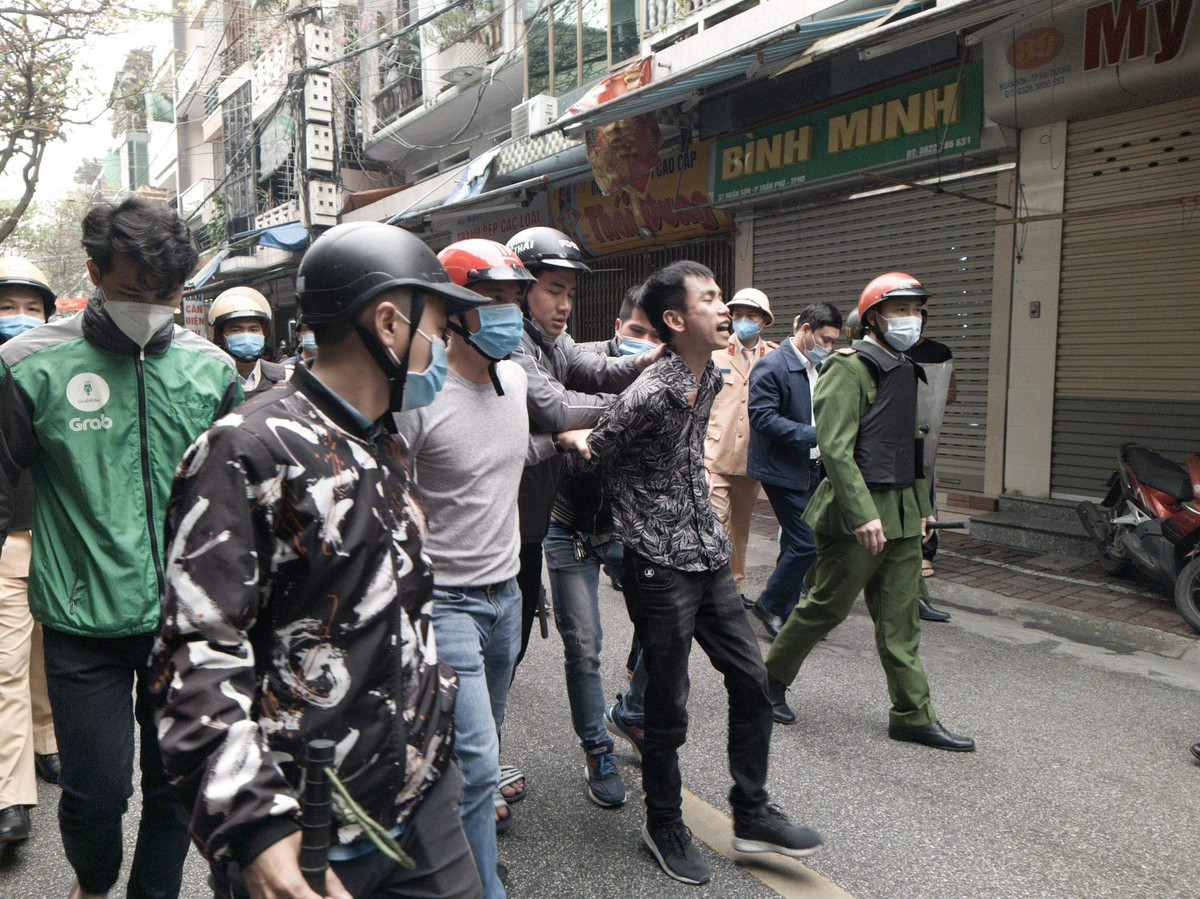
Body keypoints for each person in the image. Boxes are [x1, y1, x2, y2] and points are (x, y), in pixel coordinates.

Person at [149, 222, 487, 899]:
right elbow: (196, 652)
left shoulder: (381, 439)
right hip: (304, 829)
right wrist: (254, 828)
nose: (445, 347)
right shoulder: (247, 449)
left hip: (418, 796)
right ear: (390, 323)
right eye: (440, 326)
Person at [0, 196, 241, 899]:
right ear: (94, 271)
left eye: (168, 294)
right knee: (95, 793)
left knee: (175, 786)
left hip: (186, 624)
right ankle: (94, 880)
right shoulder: (27, 366)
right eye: (135, 291)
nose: (152, 307)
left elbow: (235, 503)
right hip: (80, 624)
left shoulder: (213, 371)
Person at [578, 261, 824, 886]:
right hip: (659, 564)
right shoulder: (652, 391)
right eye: (711, 300)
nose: (725, 309)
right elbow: (598, 454)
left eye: (723, 298)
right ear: (674, 319)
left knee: (752, 680)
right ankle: (663, 823)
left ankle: (752, 809)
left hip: (708, 554)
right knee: (667, 703)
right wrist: (631, 525)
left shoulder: (711, 374)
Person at [762, 273, 975, 753]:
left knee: (902, 620)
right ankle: (767, 684)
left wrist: (921, 509)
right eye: (900, 310)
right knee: (826, 606)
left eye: (917, 310)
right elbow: (835, 450)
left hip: (900, 513)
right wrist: (862, 514)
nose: (911, 320)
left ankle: (912, 714)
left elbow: (914, 444)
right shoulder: (849, 368)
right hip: (854, 511)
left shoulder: (906, 367)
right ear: (874, 316)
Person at [396, 238, 543, 898]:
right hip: (447, 603)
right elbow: (391, 492)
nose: (509, 312)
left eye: (515, 297)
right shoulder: (420, 397)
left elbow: (507, 463)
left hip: (505, 596)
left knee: (476, 751)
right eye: (492, 300)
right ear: (453, 312)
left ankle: (461, 850)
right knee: (482, 763)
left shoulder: (514, 381)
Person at [506, 227, 660, 673]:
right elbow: (556, 407)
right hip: (505, 515)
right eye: (554, 291)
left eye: (570, 293)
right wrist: (632, 407)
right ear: (522, 288)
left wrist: (640, 362)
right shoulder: (513, 340)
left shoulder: (552, 340)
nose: (565, 305)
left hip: (531, 516)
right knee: (503, 645)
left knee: (510, 644)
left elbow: (591, 367)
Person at [545, 287, 662, 805]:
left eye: (657, 337)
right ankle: (598, 749)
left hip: (629, 528)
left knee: (667, 625)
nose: (645, 345)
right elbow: (558, 449)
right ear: (618, 328)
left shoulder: (671, 380)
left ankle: (632, 712)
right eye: (637, 332)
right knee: (585, 648)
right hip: (568, 526)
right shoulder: (576, 365)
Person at [0, 258, 59, 854]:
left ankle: (46, 740)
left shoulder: (55, 372)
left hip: (59, 538)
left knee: (45, 652)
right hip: (4, 542)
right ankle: (9, 796)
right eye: (5, 307)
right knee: (5, 666)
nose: (19, 320)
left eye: (31, 308)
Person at [747, 304, 843, 638]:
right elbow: (762, 417)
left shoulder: (824, 366)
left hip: (814, 466)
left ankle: (783, 612)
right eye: (823, 339)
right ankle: (771, 605)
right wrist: (812, 435)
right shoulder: (771, 366)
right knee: (806, 543)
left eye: (832, 342)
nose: (827, 348)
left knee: (794, 542)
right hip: (781, 467)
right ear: (804, 329)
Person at [704, 287, 777, 607]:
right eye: (738, 315)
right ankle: (711, 590)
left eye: (751, 315)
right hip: (714, 454)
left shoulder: (774, 358)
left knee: (741, 529)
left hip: (752, 457)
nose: (743, 321)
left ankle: (735, 590)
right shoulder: (714, 353)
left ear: (764, 321)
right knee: (717, 522)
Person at [906, 306, 957, 622]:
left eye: (916, 312)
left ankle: (926, 550)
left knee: (926, 491)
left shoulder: (939, 352)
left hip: (924, 428)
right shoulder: (886, 349)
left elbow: (950, 392)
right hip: (891, 433)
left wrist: (929, 398)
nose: (911, 318)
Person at [208, 286, 289, 397]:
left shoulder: (284, 377)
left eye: (253, 329)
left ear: (264, 333)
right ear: (220, 337)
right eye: (236, 330)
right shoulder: (207, 382)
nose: (247, 336)